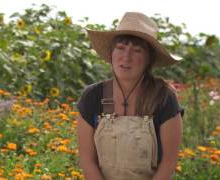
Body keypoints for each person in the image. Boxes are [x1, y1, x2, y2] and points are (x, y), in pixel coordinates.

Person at [76, 12, 184, 180]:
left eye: (137, 50)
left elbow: (168, 164)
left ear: (149, 59)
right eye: (120, 48)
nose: (126, 57)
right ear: (111, 53)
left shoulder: (163, 97)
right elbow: (87, 160)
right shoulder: (92, 97)